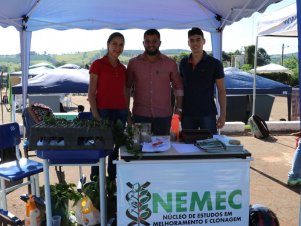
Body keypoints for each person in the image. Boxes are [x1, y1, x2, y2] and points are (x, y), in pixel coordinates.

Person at [126, 29, 183, 135]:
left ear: (160, 43)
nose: (151, 44)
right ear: (143, 43)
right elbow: (127, 89)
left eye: (154, 41)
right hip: (140, 116)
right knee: (140, 149)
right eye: (147, 41)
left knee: (163, 150)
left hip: (164, 117)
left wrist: (178, 110)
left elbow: (178, 88)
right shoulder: (133, 63)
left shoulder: (170, 63)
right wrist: (127, 113)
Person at [88, 32, 128, 181]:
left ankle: (112, 183)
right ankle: (96, 184)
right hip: (102, 113)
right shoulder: (97, 64)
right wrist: (97, 116)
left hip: (121, 113)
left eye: (121, 44)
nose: (118, 48)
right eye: (114, 44)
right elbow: (91, 93)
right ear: (108, 45)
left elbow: (125, 93)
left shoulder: (123, 68)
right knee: (99, 148)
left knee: (114, 150)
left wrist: (128, 113)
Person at [179, 27, 226, 135]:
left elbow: (221, 90)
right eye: (192, 40)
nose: (195, 43)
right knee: (188, 148)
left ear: (204, 41)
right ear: (188, 43)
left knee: (210, 147)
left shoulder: (215, 64)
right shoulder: (183, 63)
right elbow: (180, 89)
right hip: (187, 114)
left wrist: (223, 115)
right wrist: (178, 111)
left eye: (198, 39)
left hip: (207, 113)